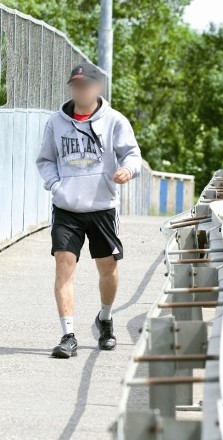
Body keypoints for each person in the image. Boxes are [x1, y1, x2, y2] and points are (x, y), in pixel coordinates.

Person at [36, 63, 142, 358]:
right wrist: (56, 186)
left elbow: (133, 155)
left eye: (86, 85)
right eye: (76, 85)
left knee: (107, 270)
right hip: (67, 208)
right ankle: (68, 334)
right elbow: (45, 159)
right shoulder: (56, 122)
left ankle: (105, 319)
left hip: (102, 207)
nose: (80, 90)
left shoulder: (115, 121)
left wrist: (127, 171)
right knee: (63, 266)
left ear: (97, 88)